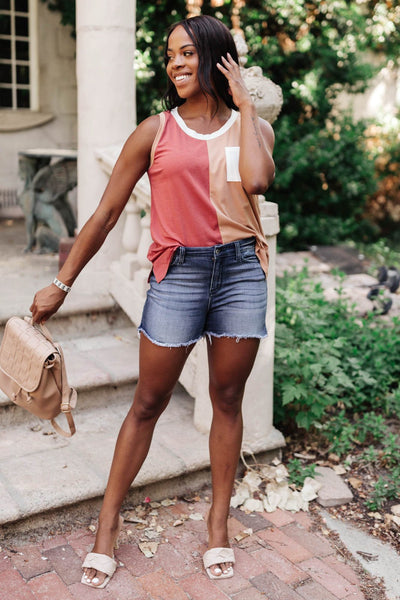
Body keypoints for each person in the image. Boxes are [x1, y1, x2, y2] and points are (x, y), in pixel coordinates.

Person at [30, 14, 275, 588]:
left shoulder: (253, 128)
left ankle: (218, 524)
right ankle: (107, 527)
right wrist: (62, 284)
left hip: (240, 272)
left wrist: (245, 107)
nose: (176, 64)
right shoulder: (155, 131)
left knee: (227, 397)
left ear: (217, 57)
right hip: (177, 274)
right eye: (170, 55)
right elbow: (107, 213)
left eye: (188, 52)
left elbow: (259, 182)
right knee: (147, 401)